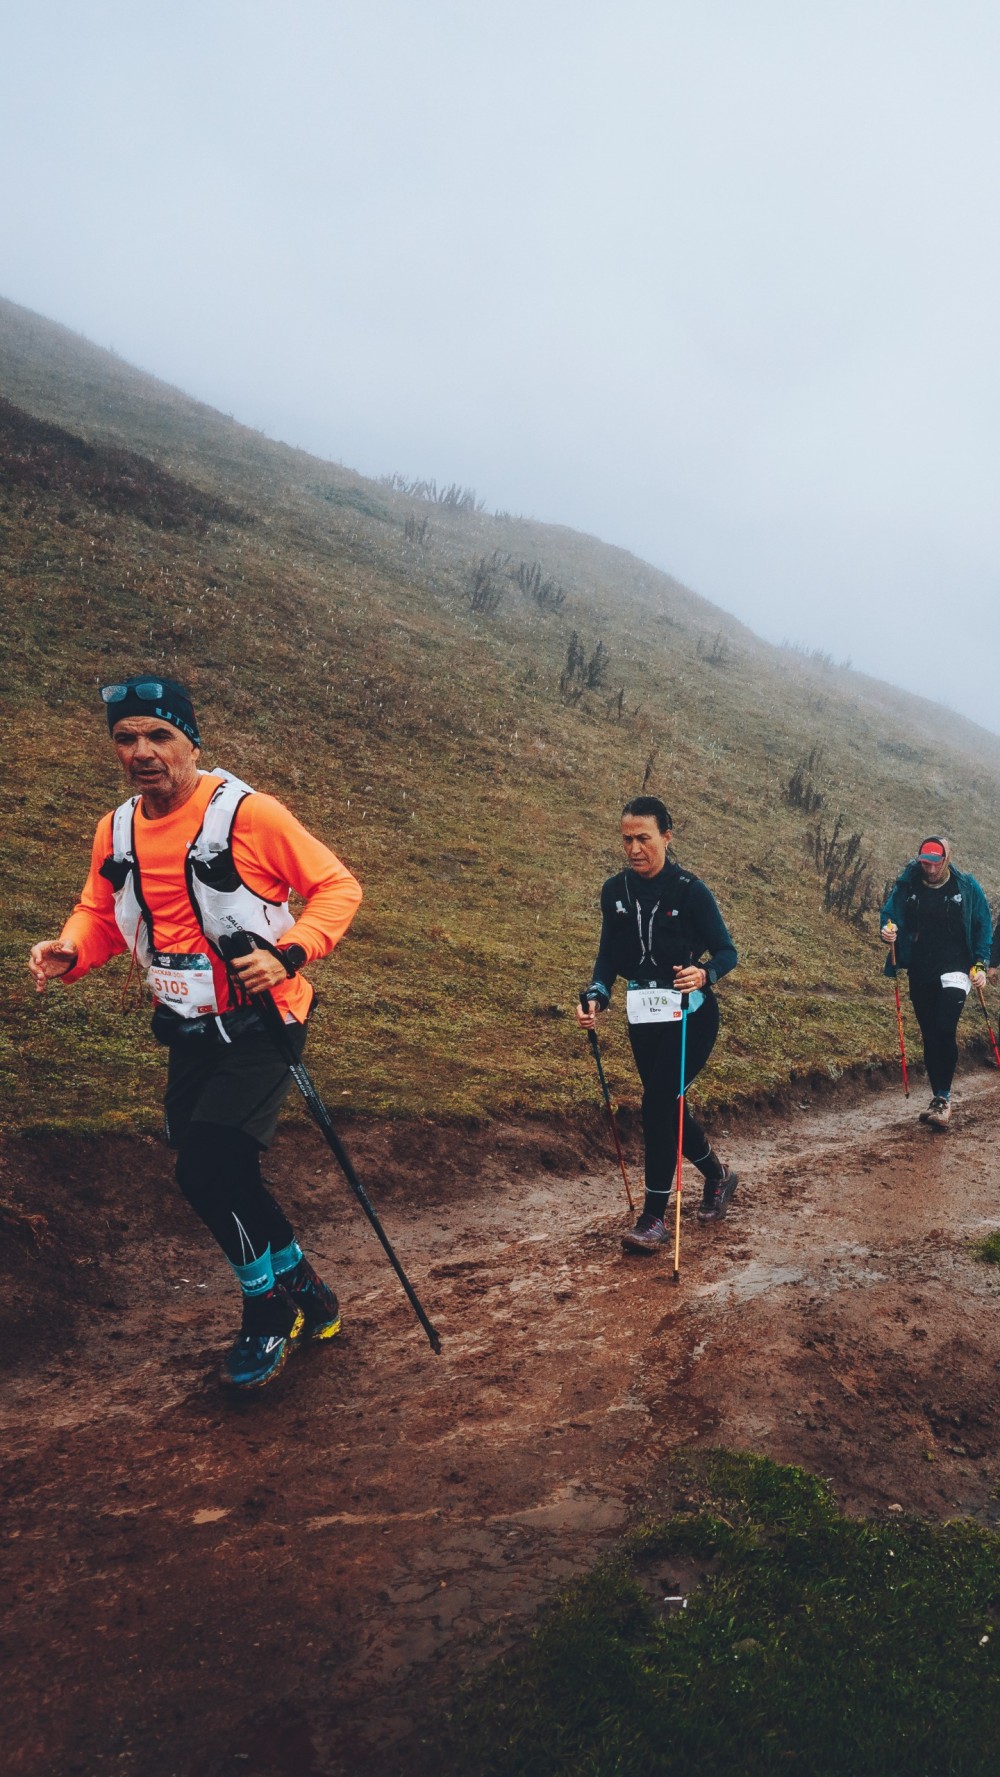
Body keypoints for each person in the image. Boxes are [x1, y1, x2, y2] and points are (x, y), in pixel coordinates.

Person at [29, 675, 363, 1390]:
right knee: (228, 1170)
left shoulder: (248, 814)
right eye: (126, 737)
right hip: (186, 1026)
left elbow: (337, 886)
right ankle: (308, 1291)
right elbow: (101, 909)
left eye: (159, 736)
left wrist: (289, 952)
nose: (142, 752)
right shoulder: (117, 827)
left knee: (204, 1167)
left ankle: (266, 1309)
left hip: (264, 1022)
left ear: (191, 741)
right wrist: (71, 949)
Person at [575, 796, 739, 1251]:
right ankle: (718, 1176)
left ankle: (653, 1219)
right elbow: (608, 956)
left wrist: (704, 973)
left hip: (692, 1017)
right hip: (642, 1016)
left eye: (643, 838)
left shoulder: (690, 890)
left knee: (655, 1105)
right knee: (669, 1107)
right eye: (626, 839)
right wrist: (596, 995)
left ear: (666, 836)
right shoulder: (615, 891)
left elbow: (727, 951)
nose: (633, 848)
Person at [880, 836, 992, 1130]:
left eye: (935, 862)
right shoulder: (909, 883)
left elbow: (982, 924)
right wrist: (888, 930)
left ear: (946, 859)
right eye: (925, 862)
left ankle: (943, 1098)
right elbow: (891, 914)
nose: (929, 869)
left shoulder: (966, 886)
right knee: (930, 1033)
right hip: (921, 966)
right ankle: (937, 1097)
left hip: (956, 966)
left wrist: (981, 963)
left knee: (945, 1027)